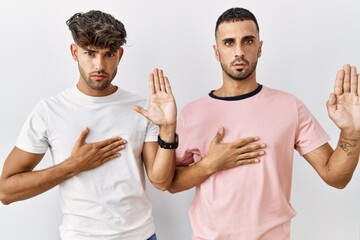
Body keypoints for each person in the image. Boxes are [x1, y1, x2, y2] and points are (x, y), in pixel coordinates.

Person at [167, 7, 360, 240]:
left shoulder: (289, 106)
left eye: (247, 41)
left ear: (259, 48)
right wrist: (210, 164)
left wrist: (351, 132)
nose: (239, 51)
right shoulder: (193, 113)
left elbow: (336, 177)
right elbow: (171, 182)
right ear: (216, 52)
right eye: (229, 43)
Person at [0, 10, 180, 240]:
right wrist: (72, 166)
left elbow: (161, 181)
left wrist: (168, 129)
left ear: (120, 55)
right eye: (90, 53)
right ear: (74, 52)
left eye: (108, 54)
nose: (99, 65)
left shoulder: (142, 109)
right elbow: (5, 191)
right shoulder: (49, 111)